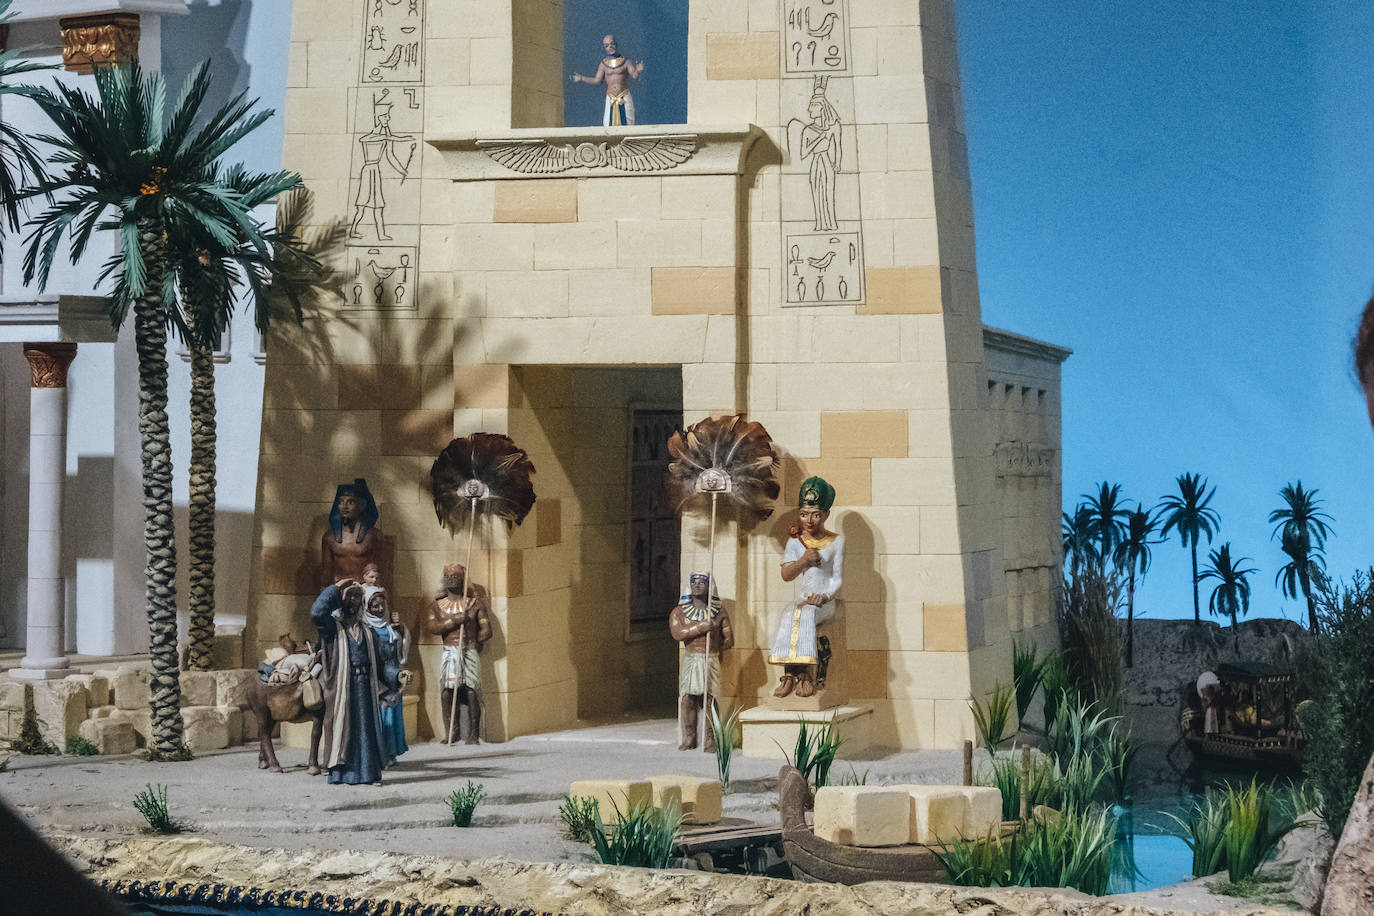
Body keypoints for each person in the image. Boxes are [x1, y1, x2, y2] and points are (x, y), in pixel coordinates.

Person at [312, 578, 403, 785]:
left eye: (358, 597)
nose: (354, 601)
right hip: (342, 686)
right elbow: (317, 612)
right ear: (341, 601)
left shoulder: (369, 632)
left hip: (365, 686)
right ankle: (343, 774)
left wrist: (396, 676)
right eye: (350, 596)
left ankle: (367, 774)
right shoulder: (332, 629)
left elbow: (383, 664)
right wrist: (335, 589)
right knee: (344, 729)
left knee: (366, 730)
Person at [768, 477, 845, 699]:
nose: (809, 520)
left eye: (815, 514)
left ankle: (805, 675)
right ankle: (789, 673)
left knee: (807, 614)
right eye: (804, 514)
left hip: (824, 602)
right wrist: (804, 560)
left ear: (826, 515)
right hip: (804, 598)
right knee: (789, 613)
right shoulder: (796, 542)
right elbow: (786, 575)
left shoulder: (836, 542)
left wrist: (825, 596)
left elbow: (837, 579)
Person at [669, 573, 734, 751]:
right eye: (694, 582)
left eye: (702, 582)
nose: (697, 585)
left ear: (709, 586)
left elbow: (729, 641)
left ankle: (710, 739)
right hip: (691, 659)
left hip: (710, 659)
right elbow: (678, 633)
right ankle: (690, 737)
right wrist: (699, 628)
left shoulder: (719, 613)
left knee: (710, 700)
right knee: (687, 699)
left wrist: (717, 635)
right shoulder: (679, 612)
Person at [427, 564, 491, 744]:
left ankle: (473, 733)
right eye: (448, 575)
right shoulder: (437, 606)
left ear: (463, 579)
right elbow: (432, 627)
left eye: (455, 576)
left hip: (468, 649)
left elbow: (487, 629)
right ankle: (452, 732)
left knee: (471, 691)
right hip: (450, 651)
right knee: (447, 692)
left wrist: (477, 638)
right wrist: (453, 622)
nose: (451, 579)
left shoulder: (474, 604)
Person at [361, 580, 408, 766]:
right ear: (367, 607)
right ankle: (377, 755)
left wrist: (402, 632)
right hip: (377, 679)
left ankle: (390, 752)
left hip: (393, 677)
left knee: (391, 715)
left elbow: (400, 649)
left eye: (382, 605)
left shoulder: (389, 627)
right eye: (375, 606)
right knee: (379, 717)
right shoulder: (366, 628)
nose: (380, 609)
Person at [570, 34, 645, 126]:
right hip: (610, 98)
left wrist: (638, 70)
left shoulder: (626, 61)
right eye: (607, 45)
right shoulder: (603, 64)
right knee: (608, 125)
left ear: (616, 44)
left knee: (628, 124)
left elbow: (635, 76)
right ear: (604, 48)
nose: (610, 47)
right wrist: (581, 78)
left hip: (624, 96)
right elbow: (597, 80)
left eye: (612, 44)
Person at [321, 479, 383, 586]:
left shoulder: (373, 536)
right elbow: (326, 572)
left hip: (365, 590)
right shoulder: (329, 537)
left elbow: (380, 570)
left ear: (362, 505)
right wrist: (324, 597)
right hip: (338, 590)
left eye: (350, 502)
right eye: (340, 502)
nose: (344, 506)